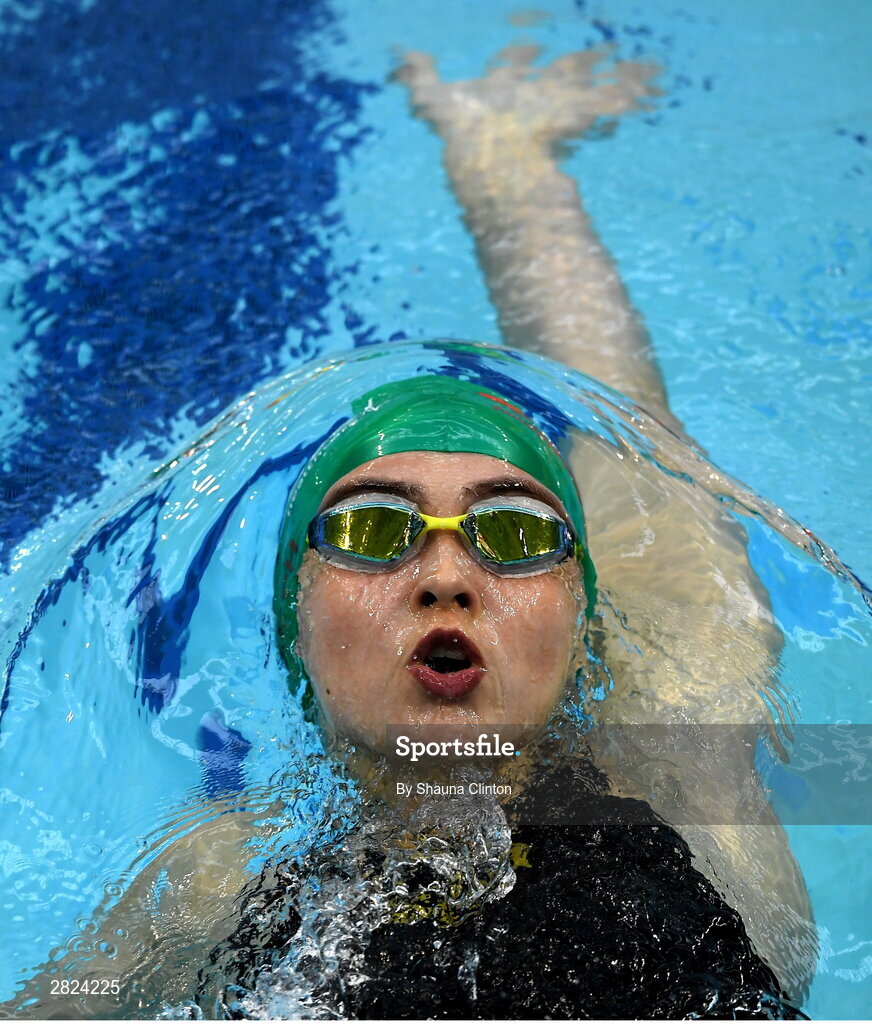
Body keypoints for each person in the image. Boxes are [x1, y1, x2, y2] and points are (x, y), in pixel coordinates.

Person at [9, 45, 815, 1019]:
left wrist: (502, 160)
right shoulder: (213, 879)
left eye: (513, 533)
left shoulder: (688, 773)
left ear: (581, 620)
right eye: (371, 529)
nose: (445, 573)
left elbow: (622, 411)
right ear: (295, 619)